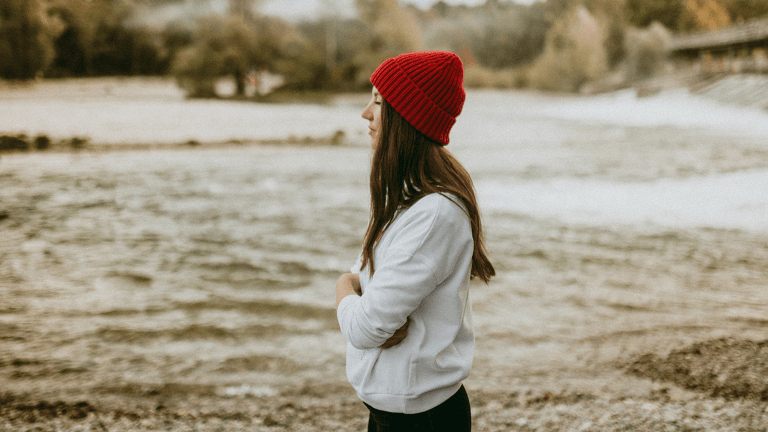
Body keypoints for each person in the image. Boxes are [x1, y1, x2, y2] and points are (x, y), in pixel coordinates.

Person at [335, 51, 495, 431]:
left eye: (377, 101)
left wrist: (341, 286)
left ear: (407, 116)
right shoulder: (409, 196)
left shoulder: (434, 214)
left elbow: (363, 327)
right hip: (399, 412)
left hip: (420, 420)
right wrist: (361, 294)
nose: (365, 113)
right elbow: (367, 279)